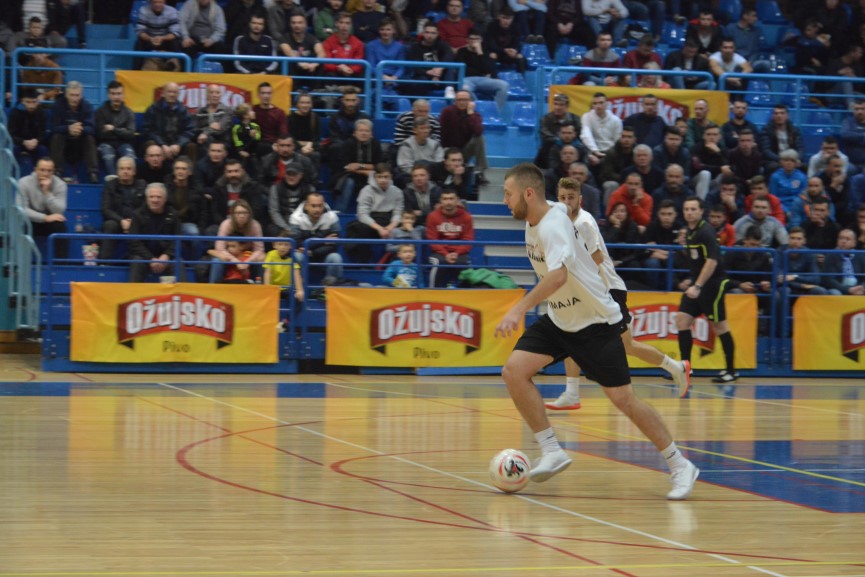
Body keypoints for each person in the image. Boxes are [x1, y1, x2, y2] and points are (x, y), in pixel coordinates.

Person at [496, 162, 699, 499]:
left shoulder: (552, 226)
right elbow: (561, 207)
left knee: (624, 400)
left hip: (594, 322)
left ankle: (680, 465)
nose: (504, 200)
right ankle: (552, 450)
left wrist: (519, 308)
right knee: (514, 372)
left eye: (508, 194)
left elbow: (558, 275)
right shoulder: (544, 214)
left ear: (528, 193)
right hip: (560, 319)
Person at [548, 181, 690, 412]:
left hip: (607, 289)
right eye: (562, 197)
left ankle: (677, 367)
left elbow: (595, 258)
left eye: (571, 197)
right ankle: (572, 393)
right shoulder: (562, 223)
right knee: (570, 334)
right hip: (588, 290)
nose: (566, 202)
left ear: (580, 199)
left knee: (627, 345)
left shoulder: (584, 222)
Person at [676, 197, 738, 384]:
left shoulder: (706, 232)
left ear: (701, 211)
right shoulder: (689, 232)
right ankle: (686, 368)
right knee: (682, 320)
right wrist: (692, 281)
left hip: (713, 284)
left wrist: (697, 286)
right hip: (697, 283)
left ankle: (731, 371)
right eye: (686, 209)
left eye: (693, 209)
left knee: (720, 326)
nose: (689, 212)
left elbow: (712, 261)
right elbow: (697, 260)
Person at [345, 162, 404, 263]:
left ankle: (397, 262)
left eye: (386, 177)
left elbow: (398, 213)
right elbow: (362, 214)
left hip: (390, 222)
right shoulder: (366, 191)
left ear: (391, 177)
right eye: (380, 177)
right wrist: (380, 229)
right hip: (372, 223)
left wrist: (389, 228)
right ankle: (363, 263)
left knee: (406, 225)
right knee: (359, 228)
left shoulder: (398, 192)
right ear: (375, 177)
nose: (383, 180)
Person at [128, 183, 182, 282]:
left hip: (166, 256)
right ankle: (133, 291)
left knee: (178, 262)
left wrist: (166, 255)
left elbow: (178, 239)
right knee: (137, 262)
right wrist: (150, 258)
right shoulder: (137, 215)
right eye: (151, 197)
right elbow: (134, 241)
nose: (155, 200)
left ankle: (184, 291)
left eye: (159, 197)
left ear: (165, 199)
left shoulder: (173, 214)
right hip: (143, 256)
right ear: (146, 198)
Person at [17, 156, 68, 259]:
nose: (45, 174)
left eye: (49, 171)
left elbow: (60, 210)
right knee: (21, 225)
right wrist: (45, 217)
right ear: (35, 170)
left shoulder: (60, 185)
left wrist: (47, 192)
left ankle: (60, 263)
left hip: (50, 220)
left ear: (53, 171)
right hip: (30, 219)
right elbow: (21, 209)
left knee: (60, 226)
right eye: (42, 170)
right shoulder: (24, 182)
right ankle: (20, 262)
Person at [49, 80, 98, 183]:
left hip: (80, 143)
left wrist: (80, 129)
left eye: (77, 95)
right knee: (57, 136)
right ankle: (57, 172)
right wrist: (68, 129)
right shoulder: (57, 106)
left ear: (81, 95)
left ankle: (93, 173)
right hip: (64, 142)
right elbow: (54, 128)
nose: (74, 99)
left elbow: (92, 128)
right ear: (66, 95)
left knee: (89, 138)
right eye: (72, 95)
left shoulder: (87, 106)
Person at [288, 192, 344, 280]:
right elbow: (296, 243)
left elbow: (334, 244)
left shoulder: (332, 217)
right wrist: (323, 240)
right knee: (297, 256)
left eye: (320, 206)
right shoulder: (295, 218)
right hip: (303, 256)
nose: (317, 209)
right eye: (313, 206)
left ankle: (332, 286)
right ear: (306, 206)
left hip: (323, 256)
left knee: (336, 258)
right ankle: (299, 287)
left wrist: (312, 251)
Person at [100, 156, 148, 261]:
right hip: (117, 221)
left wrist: (133, 221)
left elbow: (145, 208)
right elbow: (106, 209)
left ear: (134, 172)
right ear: (117, 171)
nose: (125, 171)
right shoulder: (110, 186)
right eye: (122, 169)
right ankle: (104, 262)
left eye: (128, 169)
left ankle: (142, 260)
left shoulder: (142, 185)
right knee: (110, 225)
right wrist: (121, 221)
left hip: (137, 221)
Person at [332, 119, 384, 212]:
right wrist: (366, 170)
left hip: (370, 175)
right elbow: (347, 167)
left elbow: (379, 166)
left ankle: (375, 211)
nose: (364, 133)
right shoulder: (348, 144)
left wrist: (360, 166)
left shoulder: (375, 144)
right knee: (348, 182)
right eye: (361, 130)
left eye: (367, 131)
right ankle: (339, 210)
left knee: (381, 179)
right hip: (350, 175)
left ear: (371, 133)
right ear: (354, 133)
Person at [208, 198, 266, 283]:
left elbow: (259, 249)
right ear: (233, 214)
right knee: (217, 260)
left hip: (248, 256)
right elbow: (220, 249)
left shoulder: (255, 225)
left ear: (249, 214)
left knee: (262, 258)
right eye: (238, 213)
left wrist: (247, 262)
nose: (242, 216)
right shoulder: (226, 224)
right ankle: (213, 288)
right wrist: (236, 261)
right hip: (229, 256)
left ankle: (260, 287)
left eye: (245, 213)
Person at [440, 90, 489, 186]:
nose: (462, 102)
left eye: (465, 100)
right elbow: (442, 133)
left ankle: (479, 171)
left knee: (479, 138)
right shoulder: (447, 112)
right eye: (459, 100)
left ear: (470, 101)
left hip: (465, 150)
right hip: (449, 149)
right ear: (455, 101)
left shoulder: (475, 115)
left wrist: (470, 114)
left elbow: (478, 131)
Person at [426, 188, 473, 287]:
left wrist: (457, 253)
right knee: (438, 263)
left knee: (465, 265)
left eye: (451, 198)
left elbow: (468, 240)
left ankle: (466, 294)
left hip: (459, 252)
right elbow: (432, 240)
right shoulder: (433, 216)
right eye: (445, 199)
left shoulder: (466, 217)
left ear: (457, 200)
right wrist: (445, 254)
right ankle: (431, 291)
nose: (448, 202)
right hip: (439, 252)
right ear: (441, 201)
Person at [454, 30, 509, 112]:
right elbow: (463, 70)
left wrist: (480, 52)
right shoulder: (461, 51)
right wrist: (481, 72)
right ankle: (478, 111)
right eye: (471, 39)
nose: (474, 41)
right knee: (465, 90)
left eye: (477, 39)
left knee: (504, 85)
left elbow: (489, 69)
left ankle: (495, 112)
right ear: (467, 40)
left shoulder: (485, 52)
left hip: (483, 80)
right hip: (467, 79)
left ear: (481, 40)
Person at [141, 82, 196, 162]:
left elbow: (189, 131)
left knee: (191, 146)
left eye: (175, 92)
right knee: (150, 144)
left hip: (177, 144)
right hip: (159, 142)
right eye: (169, 92)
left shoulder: (184, 110)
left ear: (178, 94)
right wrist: (162, 144)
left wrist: (178, 144)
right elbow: (148, 130)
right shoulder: (153, 109)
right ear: (163, 93)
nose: (172, 95)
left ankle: (189, 170)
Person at [94, 81, 137, 178]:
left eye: (119, 94)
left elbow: (130, 134)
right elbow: (100, 134)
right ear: (108, 95)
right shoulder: (100, 112)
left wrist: (113, 129)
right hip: (105, 143)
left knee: (130, 156)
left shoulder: (129, 112)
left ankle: (130, 181)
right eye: (113, 94)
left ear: (123, 94)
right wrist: (122, 131)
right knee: (108, 156)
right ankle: (113, 180)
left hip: (124, 143)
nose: (116, 97)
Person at [8, 88, 49, 174]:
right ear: (23, 101)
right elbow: (11, 134)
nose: (31, 105)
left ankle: (42, 174)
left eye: (34, 102)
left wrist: (37, 141)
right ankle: (9, 174)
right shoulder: (15, 112)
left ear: (37, 102)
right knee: (13, 149)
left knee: (43, 150)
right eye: (28, 102)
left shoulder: (41, 113)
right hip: (19, 143)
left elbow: (43, 133)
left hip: (35, 143)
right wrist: (23, 142)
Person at [267, 162, 315, 236]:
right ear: (284, 175)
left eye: (294, 174)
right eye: (288, 174)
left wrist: (299, 227)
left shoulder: (309, 189)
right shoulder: (275, 188)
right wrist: (286, 228)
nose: (291, 177)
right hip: (283, 223)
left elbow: (312, 210)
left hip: (303, 223)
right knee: (271, 229)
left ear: (301, 175)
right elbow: (274, 211)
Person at [134, 0, 182, 69]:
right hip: (149, 39)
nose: (157, 4)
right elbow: (140, 31)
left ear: (164, 2)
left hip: (166, 39)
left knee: (176, 42)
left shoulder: (171, 11)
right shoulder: (143, 10)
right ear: (150, 2)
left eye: (160, 2)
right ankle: (136, 69)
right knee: (139, 43)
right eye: (155, 2)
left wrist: (162, 38)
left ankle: (179, 69)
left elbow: (175, 32)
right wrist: (150, 39)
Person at [278, 10, 326, 80]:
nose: (296, 25)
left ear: (305, 24)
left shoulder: (311, 38)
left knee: (319, 62)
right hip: (293, 71)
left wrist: (314, 64)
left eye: (300, 23)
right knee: (289, 62)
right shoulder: (284, 38)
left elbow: (321, 52)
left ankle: (316, 87)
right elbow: (289, 53)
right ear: (290, 24)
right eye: (293, 23)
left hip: (309, 70)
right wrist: (300, 63)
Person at [580, 92, 623, 168]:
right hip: (592, 151)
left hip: (610, 153)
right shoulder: (586, 117)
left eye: (601, 103)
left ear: (607, 104)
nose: (598, 106)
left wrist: (608, 155)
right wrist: (595, 151)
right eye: (595, 103)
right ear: (592, 105)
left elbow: (617, 141)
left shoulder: (616, 120)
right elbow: (586, 135)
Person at [263, 232, 305, 308]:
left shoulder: (292, 257)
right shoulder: (270, 254)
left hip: (287, 288)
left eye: (286, 245)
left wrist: (299, 290)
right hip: (273, 287)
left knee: (297, 301)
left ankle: (290, 316)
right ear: (274, 245)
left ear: (290, 246)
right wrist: (267, 288)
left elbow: (296, 274)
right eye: (280, 244)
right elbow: (267, 272)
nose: (283, 247)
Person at [321, 11, 365, 80]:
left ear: (351, 25)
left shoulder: (358, 43)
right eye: (341, 22)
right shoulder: (328, 42)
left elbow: (359, 64)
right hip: (335, 72)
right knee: (329, 75)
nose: (344, 26)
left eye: (347, 23)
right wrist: (338, 68)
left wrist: (350, 70)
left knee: (361, 76)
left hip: (351, 73)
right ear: (336, 24)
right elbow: (326, 63)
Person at [821, 228, 865, 295]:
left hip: (858, 288)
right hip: (839, 289)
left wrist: (862, 287)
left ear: (854, 243)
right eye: (840, 238)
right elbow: (829, 280)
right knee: (835, 293)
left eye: (847, 239)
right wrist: (848, 290)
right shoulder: (831, 255)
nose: (843, 241)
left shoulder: (860, 255)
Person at [253, 82, 288, 156]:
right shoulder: (253, 110)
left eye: (269, 93)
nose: (266, 96)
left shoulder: (279, 112)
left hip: (274, 144)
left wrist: (278, 144)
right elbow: (245, 126)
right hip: (257, 144)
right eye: (263, 93)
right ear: (258, 95)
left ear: (272, 95)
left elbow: (283, 133)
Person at [194, 84, 233, 149]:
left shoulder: (227, 111)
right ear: (207, 95)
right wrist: (209, 128)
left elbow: (221, 128)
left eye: (217, 93)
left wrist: (206, 133)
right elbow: (196, 128)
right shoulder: (200, 111)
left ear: (220, 95)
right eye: (211, 92)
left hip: (222, 141)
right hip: (203, 139)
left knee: (208, 140)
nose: (215, 95)